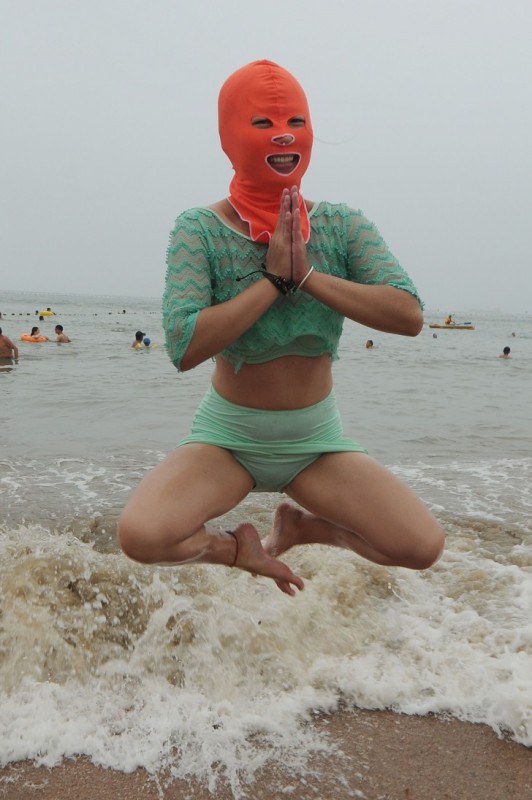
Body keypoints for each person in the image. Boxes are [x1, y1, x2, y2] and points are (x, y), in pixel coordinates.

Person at [118, 60, 445, 596]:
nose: (284, 135)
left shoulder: (343, 225)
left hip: (317, 441)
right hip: (228, 439)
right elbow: (183, 345)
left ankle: (307, 528)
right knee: (141, 536)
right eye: (263, 123)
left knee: (420, 546)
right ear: (231, 136)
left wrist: (308, 276)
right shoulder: (199, 229)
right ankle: (237, 550)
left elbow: (408, 314)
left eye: (295, 121)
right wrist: (271, 281)